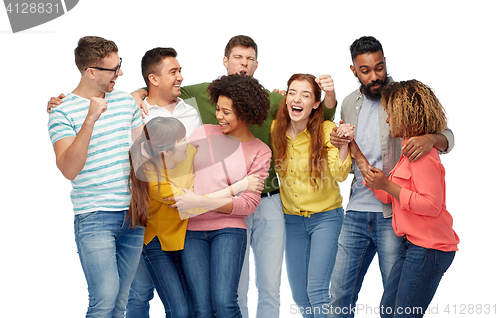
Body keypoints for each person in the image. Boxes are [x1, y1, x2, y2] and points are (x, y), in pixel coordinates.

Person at [46, 35, 337, 318]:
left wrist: (325, 100)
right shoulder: (186, 124)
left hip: (186, 220)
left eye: (250, 59)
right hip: (156, 222)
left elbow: (311, 115)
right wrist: (127, 98)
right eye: (238, 57)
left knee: (219, 299)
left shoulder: (256, 121)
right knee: (130, 297)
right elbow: (149, 157)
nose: (219, 116)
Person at [328, 36, 455, 318]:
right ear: (354, 71)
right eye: (366, 71)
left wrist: (431, 138)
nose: (375, 76)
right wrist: (342, 144)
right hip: (359, 206)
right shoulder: (349, 104)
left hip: (395, 214)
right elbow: (350, 162)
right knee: (340, 294)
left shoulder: (404, 97)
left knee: (398, 301)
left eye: (380, 67)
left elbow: (447, 136)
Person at [127, 116, 264, 318]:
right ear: (165, 151)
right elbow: (193, 206)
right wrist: (239, 187)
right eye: (181, 139)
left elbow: (202, 192)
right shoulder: (150, 174)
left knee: (195, 310)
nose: (188, 141)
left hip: (183, 239)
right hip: (158, 246)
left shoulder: (188, 151)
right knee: (180, 312)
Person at [47, 36, 145, 318]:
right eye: (114, 69)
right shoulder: (61, 111)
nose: (120, 73)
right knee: (103, 299)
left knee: (120, 301)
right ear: (91, 71)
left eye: (119, 66)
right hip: (94, 215)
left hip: (132, 214)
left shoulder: (126, 103)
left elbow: (142, 157)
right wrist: (90, 119)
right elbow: (68, 169)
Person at [172, 74, 272, 318]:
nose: (219, 116)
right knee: (202, 308)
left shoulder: (260, 151)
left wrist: (200, 201)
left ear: (245, 112)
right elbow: (177, 173)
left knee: (224, 303)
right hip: (191, 230)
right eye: (218, 109)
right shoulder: (202, 133)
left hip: (228, 230)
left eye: (227, 112)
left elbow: (247, 204)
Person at [357, 80, 459, 317]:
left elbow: (431, 205)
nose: (387, 120)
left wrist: (388, 185)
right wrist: (376, 181)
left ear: (405, 114)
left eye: (390, 114)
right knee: (388, 311)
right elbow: (391, 195)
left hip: (430, 248)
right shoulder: (407, 152)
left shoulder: (422, 156)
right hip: (413, 245)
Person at [126, 47, 202, 318]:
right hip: (151, 224)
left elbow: (229, 92)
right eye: (173, 72)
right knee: (139, 294)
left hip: (186, 228)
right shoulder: (135, 110)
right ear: (153, 79)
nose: (180, 77)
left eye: (180, 71)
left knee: (191, 304)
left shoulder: (192, 108)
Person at [270, 74, 352, 318]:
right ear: (285, 98)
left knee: (317, 291)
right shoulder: (276, 129)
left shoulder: (326, 130)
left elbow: (339, 174)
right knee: (300, 295)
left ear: (316, 103)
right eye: (292, 93)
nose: (297, 99)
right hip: (292, 220)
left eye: (306, 95)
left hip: (326, 218)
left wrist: (344, 144)